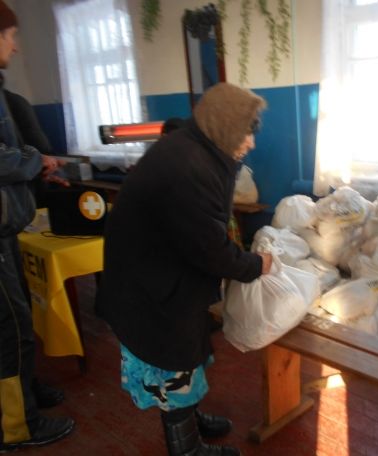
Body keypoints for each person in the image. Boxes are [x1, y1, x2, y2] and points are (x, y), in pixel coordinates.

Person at [95, 82, 272, 456]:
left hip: (162, 278)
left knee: (188, 356)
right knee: (173, 365)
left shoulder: (195, 148)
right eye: (247, 132)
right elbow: (210, 248)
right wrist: (256, 265)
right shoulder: (189, 167)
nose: (251, 143)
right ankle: (187, 449)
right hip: (150, 291)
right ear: (224, 125)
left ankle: (190, 419)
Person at [0, 1, 75, 452]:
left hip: (7, 229)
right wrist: (35, 159)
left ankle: (25, 393)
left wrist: (35, 167)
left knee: (19, 319)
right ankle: (17, 426)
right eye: (10, 36)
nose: (14, 46)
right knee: (9, 329)